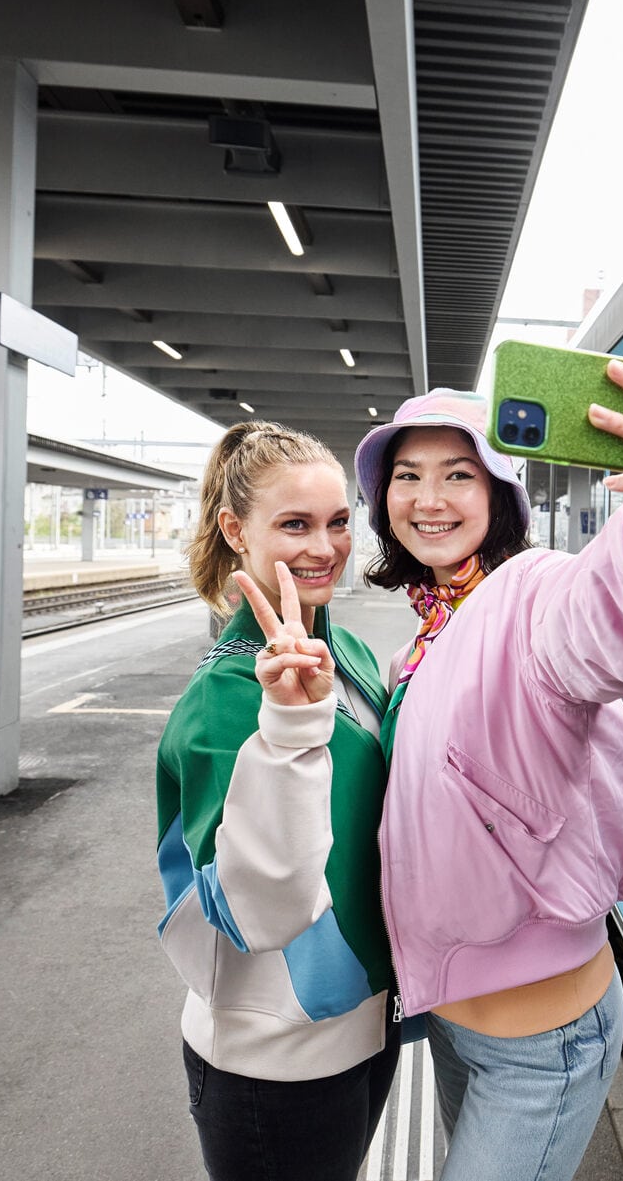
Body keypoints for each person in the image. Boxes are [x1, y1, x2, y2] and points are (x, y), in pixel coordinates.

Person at [354, 351, 623, 1180]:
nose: (428, 498)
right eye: (407, 475)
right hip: (458, 1026)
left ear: (499, 496)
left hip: (540, 1044)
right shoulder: (416, 647)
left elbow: (610, 623)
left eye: (458, 473)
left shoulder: (530, 592)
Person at [153, 422, 398, 1181]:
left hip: (362, 1029)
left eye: (337, 522)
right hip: (275, 1066)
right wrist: (290, 723)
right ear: (236, 529)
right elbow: (259, 910)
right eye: (294, 524)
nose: (324, 548)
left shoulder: (345, 651)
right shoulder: (224, 701)